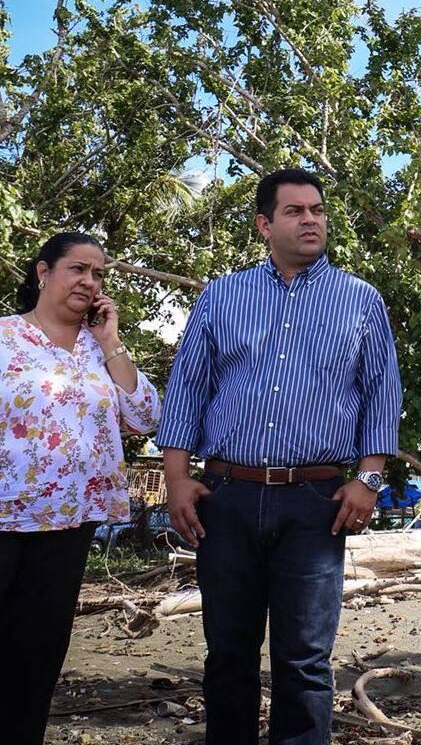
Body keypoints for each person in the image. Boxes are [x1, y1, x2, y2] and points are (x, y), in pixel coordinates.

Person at [159, 168, 402, 745]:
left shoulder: (360, 300)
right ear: (264, 225)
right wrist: (176, 478)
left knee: (305, 660)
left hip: (316, 502)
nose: (310, 220)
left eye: (317, 210)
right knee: (228, 653)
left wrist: (369, 479)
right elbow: (189, 386)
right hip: (227, 497)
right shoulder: (222, 296)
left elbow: (382, 393)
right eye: (295, 211)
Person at [0, 232, 160, 745]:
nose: (89, 282)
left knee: (27, 671)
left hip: (67, 530)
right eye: (78, 269)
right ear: (43, 272)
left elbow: (145, 418)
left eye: (98, 274)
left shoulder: (99, 352)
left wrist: (111, 341)